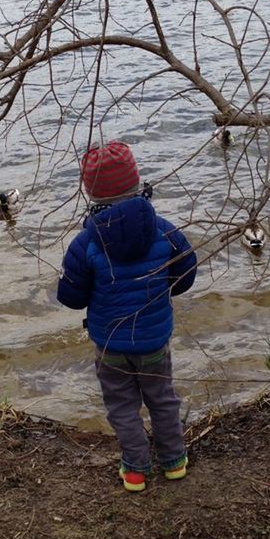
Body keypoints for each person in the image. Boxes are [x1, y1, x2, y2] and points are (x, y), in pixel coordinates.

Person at [57, 141, 197, 492]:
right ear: (138, 181)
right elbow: (186, 274)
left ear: (90, 190)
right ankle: (173, 461)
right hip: (154, 339)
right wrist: (161, 293)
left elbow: (71, 298)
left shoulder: (85, 243)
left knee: (121, 405)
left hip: (110, 345)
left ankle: (135, 469)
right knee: (162, 398)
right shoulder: (165, 230)